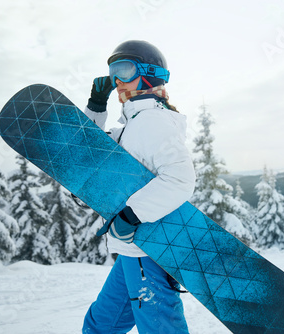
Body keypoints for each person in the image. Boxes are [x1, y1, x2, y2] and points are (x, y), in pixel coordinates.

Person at [82, 40, 196, 334]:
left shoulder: (150, 122)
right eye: (112, 72)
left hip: (149, 247)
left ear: (149, 74)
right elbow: (89, 154)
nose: (118, 80)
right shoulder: (131, 126)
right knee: (100, 326)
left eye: (125, 69)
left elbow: (180, 178)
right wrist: (96, 106)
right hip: (133, 248)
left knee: (160, 328)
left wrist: (131, 215)